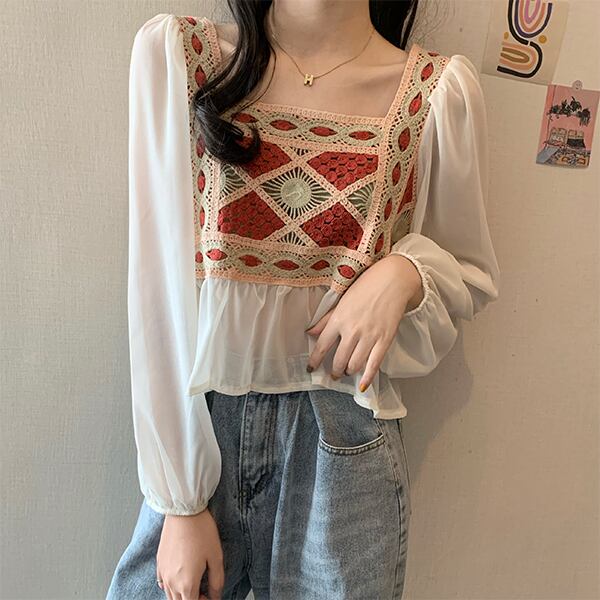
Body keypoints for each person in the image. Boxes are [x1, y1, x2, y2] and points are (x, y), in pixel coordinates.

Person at [107, 1, 500, 599]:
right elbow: (156, 289)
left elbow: (469, 272)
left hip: (344, 447)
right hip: (201, 429)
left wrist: (405, 272)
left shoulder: (433, 94)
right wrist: (181, 501)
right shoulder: (186, 60)